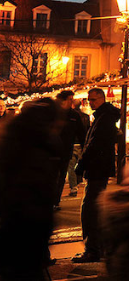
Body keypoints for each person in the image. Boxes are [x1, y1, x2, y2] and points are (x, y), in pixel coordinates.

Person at [0, 98, 61, 280]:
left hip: (16, 227)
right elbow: (34, 195)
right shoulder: (37, 149)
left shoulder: (14, 139)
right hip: (25, 229)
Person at [73, 87, 120, 263]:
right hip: (98, 168)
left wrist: (82, 163)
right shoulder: (103, 116)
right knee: (93, 208)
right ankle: (95, 248)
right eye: (89, 100)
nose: (90, 103)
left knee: (91, 209)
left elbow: (95, 144)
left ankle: (93, 249)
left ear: (101, 99)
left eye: (93, 100)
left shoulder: (104, 118)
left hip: (97, 168)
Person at [54, 90, 87, 210]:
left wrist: (84, 146)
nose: (71, 102)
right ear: (63, 100)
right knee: (53, 176)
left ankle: (55, 201)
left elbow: (81, 133)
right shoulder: (53, 114)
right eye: (70, 99)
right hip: (52, 151)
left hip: (66, 151)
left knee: (61, 177)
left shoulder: (74, 115)